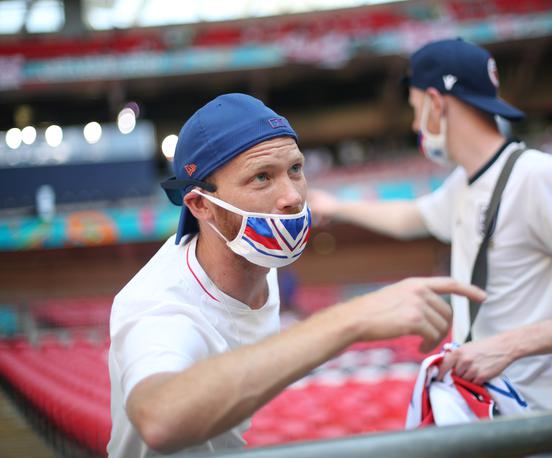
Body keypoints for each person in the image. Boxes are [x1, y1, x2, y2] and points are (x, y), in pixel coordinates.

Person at [107, 93, 485, 457]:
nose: (292, 196)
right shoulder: (161, 305)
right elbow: (158, 419)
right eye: (261, 178)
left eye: (295, 169)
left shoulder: (257, 261)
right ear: (201, 205)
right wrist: (352, 319)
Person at [309, 38, 552, 413]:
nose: (414, 123)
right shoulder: (463, 183)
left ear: (436, 103)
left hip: (549, 428)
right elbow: (409, 218)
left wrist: (508, 344)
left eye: (416, 108)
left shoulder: (538, 176)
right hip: (491, 416)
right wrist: (335, 205)